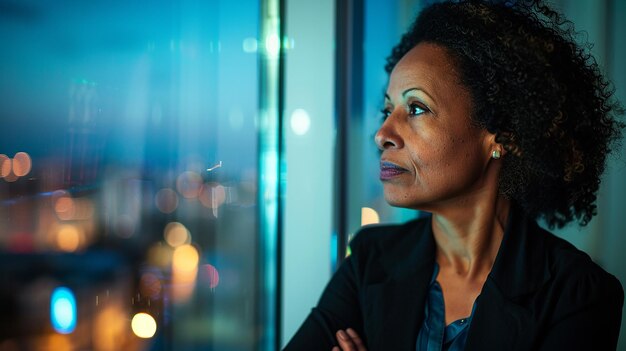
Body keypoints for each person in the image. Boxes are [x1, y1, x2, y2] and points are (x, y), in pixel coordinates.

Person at [284, 0, 624, 350]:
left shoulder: (577, 294)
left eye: (416, 108)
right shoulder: (370, 262)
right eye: (388, 109)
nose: (382, 133)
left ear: (502, 137)